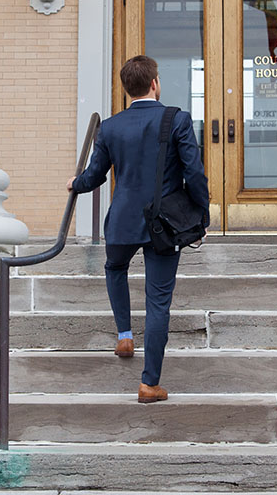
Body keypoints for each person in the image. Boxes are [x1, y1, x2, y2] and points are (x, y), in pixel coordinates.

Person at [67, 55, 210, 403]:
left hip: (122, 220)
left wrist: (76, 184)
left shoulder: (110, 127)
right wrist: (201, 215)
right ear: (155, 83)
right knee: (158, 301)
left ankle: (124, 334)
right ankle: (149, 383)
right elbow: (194, 173)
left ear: (126, 88)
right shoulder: (176, 119)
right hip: (164, 223)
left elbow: (96, 174)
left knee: (114, 267)